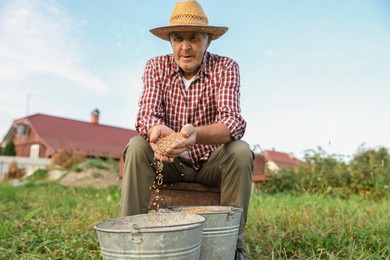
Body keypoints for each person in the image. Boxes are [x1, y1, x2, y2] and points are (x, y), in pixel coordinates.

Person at [120, 0, 253, 259]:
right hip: (169, 163)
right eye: (178, 37)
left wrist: (193, 136)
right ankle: (130, 241)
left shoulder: (226, 68)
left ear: (208, 40)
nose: (186, 46)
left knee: (240, 150)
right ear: (170, 41)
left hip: (209, 165)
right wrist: (157, 131)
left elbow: (232, 122)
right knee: (136, 145)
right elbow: (146, 115)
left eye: (194, 37)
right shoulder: (156, 67)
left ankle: (232, 248)